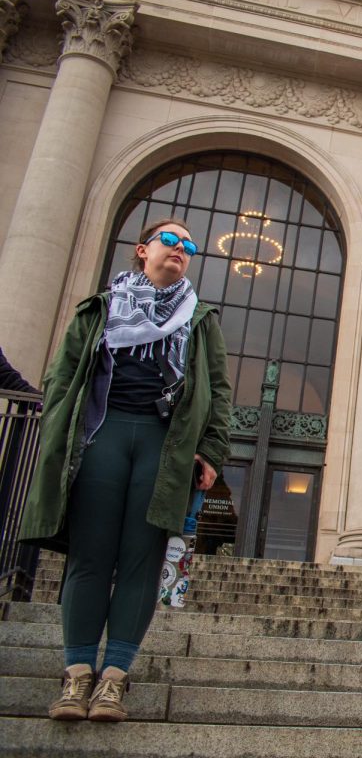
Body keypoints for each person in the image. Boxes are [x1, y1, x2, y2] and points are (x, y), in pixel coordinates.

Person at [19, 217, 231, 723]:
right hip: (101, 435)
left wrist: (212, 452)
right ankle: (76, 676)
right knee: (90, 557)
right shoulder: (100, 308)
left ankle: (114, 677)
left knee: (141, 559)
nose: (180, 249)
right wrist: (56, 432)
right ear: (142, 250)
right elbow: (63, 373)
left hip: (165, 445)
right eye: (170, 240)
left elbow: (218, 391)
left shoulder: (200, 319)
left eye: (189, 245)